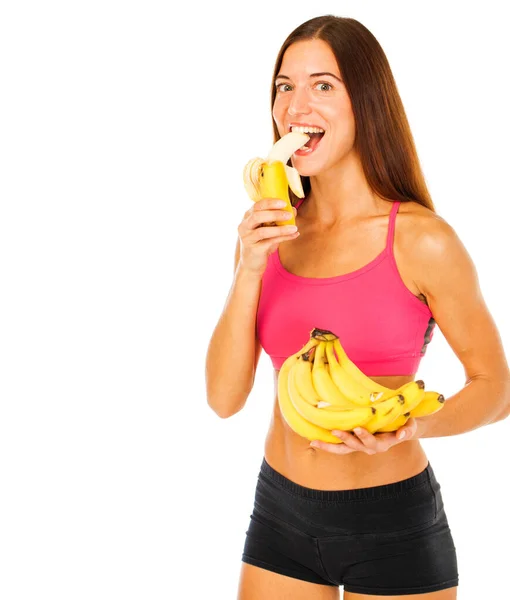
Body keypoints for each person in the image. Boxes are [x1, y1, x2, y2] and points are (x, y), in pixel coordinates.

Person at [205, 15, 510, 600]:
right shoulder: (268, 232)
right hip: (280, 513)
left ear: (365, 103)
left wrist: (409, 426)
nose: (296, 105)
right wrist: (247, 267)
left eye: (323, 85)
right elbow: (223, 399)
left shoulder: (422, 240)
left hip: (392, 526)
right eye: (284, 86)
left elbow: (494, 386)